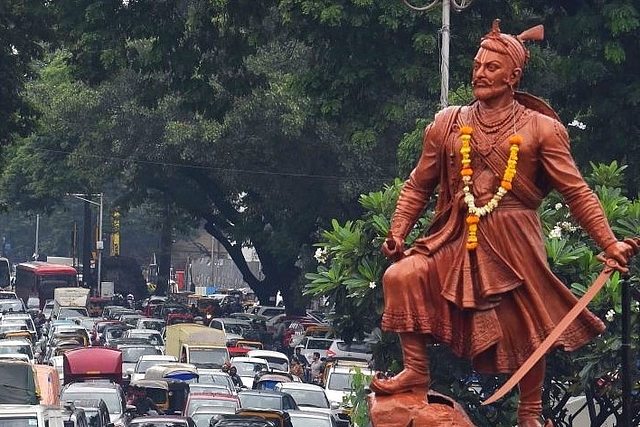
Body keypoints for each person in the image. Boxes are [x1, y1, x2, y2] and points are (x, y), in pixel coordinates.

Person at [368, 19, 638, 427]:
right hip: (456, 234)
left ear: (513, 75)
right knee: (401, 276)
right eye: (476, 65)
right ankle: (416, 371)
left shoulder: (541, 129)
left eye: (491, 67)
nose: (479, 72)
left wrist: (609, 241)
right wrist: (398, 231)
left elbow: (577, 192)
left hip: (514, 242)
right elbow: (417, 185)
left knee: (524, 327)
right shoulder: (447, 123)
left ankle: (529, 412)